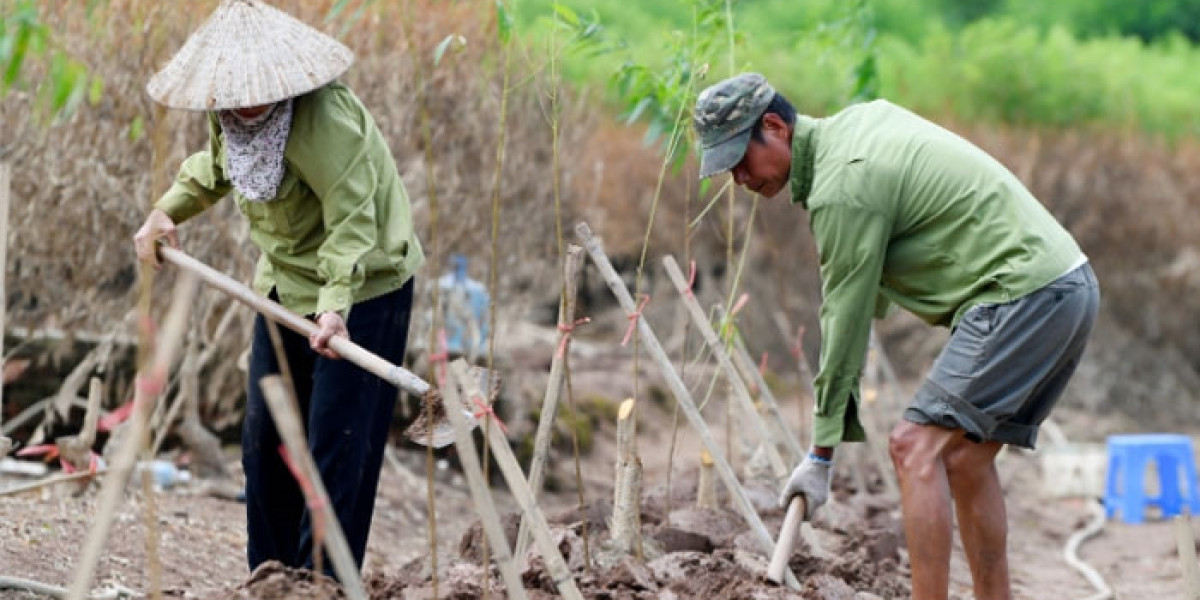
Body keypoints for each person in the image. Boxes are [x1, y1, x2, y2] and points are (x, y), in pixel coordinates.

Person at [693, 73, 1099, 600]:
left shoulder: (844, 185)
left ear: (775, 127)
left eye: (740, 161)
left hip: (1023, 293)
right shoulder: (856, 128)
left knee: (913, 448)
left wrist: (820, 454)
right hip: (1067, 287)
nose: (740, 181)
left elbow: (845, 316)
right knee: (966, 460)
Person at [132, 0, 424, 576]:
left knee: (334, 452)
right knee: (264, 446)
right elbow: (217, 167)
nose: (239, 103)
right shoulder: (230, 116)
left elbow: (353, 222)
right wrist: (166, 211)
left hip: (362, 291)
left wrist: (335, 307)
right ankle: (269, 583)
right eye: (228, 93)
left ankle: (322, 585)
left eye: (250, 91)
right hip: (282, 287)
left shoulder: (326, 123)